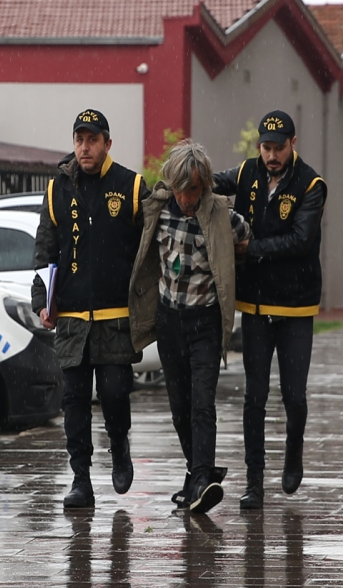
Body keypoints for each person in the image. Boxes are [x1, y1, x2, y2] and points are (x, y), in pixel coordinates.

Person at [32, 108, 149, 509]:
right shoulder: (57, 189)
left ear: (107, 144)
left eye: (93, 140)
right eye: (79, 139)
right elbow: (44, 255)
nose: (85, 147)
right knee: (75, 403)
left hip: (116, 319)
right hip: (72, 322)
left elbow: (152, 246)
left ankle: (119, 445)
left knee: (116, 394)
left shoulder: (131, 186)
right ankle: (80, 478)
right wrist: (42, 302)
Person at [214, 109, 327, 510]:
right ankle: (254, 482)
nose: (272, 156)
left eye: (279, 148)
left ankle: (293, 452)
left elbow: (299, 239)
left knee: (293, 396)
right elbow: (211, 182)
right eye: (266, 148)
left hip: (296, 306)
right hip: (256, 306)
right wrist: (186, 176)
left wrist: (252, 248)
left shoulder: (311, 184)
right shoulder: (247, 173)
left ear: (293, 145)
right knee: (254, 397)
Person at [129, 140, 250, 514]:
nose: (185, 198)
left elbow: (245, 238)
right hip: (169, 320)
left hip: (205, 322)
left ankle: (201, 477)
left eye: (193, 190)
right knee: (179, 406)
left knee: (202, 403)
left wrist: (231, 263)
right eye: (180, 189)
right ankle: (198, 473)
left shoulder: (220, 215)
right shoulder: (157, 210)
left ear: (205, 186)